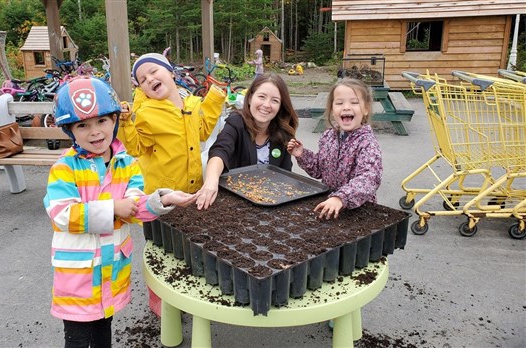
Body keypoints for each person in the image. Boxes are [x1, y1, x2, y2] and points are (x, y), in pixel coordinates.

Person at [43, 77, 196, 347]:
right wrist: (113, 208)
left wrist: (162, 199)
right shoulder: (64, 169)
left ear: (114, 120)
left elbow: (134, 207)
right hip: (79, 277)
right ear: (69, 130)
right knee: (78, 339)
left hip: (111, 272)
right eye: (82, 125)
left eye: (102, 121)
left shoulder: (128, 165)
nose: (95, 132)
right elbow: (62, 214)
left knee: (104, 330)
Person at [119, 52, 226, 316]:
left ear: (171, 72)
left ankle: (185, 291)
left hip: (191, 190)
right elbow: (134, 146)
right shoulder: (145, 113)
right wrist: (125, 122)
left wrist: (214, 98)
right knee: (160, 248)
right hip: (161, 197)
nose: (149, 79)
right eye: (142, 80)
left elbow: (203, 131)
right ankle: (158, 295)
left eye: (154, 72)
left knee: (190, 243)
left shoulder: (191, 103)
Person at [196, 73, 299, 210]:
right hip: (236, 204)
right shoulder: (236, 123)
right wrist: (211, 181)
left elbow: (285, 176)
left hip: (270, 204)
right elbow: (220, 150)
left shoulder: (284, 134)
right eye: (261, 97)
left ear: (280, 106)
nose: (266, 105)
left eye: (275, 100)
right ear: (250, 98)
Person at [287, 77, 382, 220]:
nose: (346, 107)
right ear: (332, 109)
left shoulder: (367, 143)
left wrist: (341, 197)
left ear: (366, 109)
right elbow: (319, 169)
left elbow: (369, 178)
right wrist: (302, 155)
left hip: (358, 211)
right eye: (339, 103)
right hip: (330, 205)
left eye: (354, 102)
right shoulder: (328, 136)